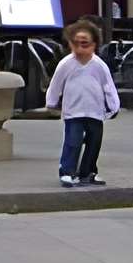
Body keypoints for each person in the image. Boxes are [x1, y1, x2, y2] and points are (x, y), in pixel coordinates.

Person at [47, 18, 123, 187]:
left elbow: (108, 86)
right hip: (73, 111)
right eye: (77, 43)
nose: (81, 47)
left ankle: (87, 172)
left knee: (94, 143)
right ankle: (67, 171)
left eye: (85, 43)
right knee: (73, 142)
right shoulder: (66, 64)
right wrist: (51, 101)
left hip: (95, 112)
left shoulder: (99, 65)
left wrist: (113, 106)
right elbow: (56, 83)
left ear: (94, 44)